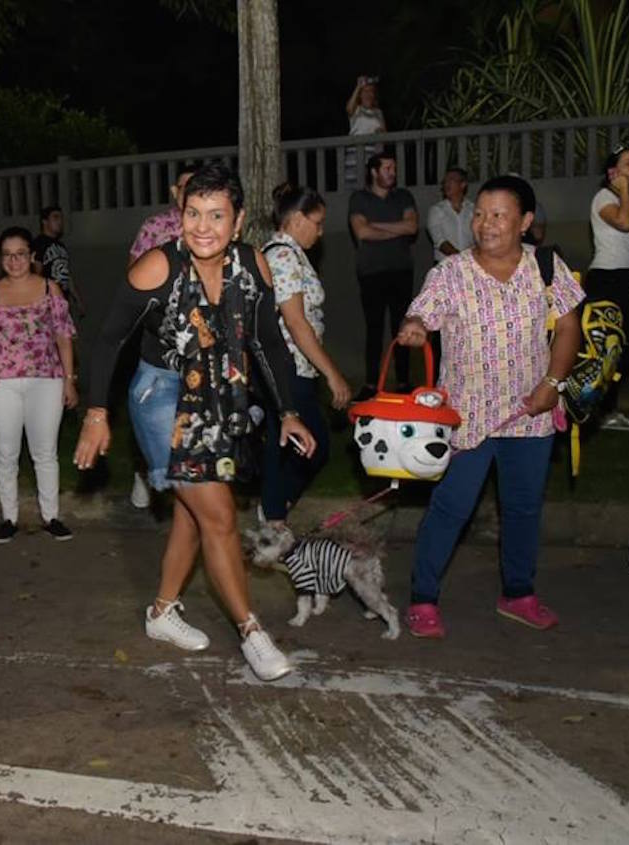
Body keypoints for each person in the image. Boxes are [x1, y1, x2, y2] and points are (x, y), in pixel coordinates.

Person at [75, 162, 316, 682]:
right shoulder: (157, 267)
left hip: (220, 393)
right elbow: (109, 340)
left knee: (194, 511)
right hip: (161, 394)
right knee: (220, 514)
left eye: (216, 215)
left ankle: (162, 612)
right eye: (193, 213)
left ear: (239, 219)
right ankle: (252, 631)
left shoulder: (254, 266)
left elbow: (267, 342)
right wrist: (97, 412)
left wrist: (288, 411)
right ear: (179, 213)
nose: (202, 226)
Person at [396, 175, 584, 639]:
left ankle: (518, 592)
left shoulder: (545, 265)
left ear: (523, 222)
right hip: (468, 419)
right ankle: (422, 597)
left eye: (499, 215)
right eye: (480, 213)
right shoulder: (451, 272)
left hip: (530, 412)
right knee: (451, 508)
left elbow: (569, 328)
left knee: (522, 509)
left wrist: (553, 383)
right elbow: (421, 311)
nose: (485, 223)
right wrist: (416, 326)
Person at [0, 226, 78, 544]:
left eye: (20, 254)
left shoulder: (50, 289)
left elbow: (64, 338)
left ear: (32, 256)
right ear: (1, 259)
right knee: (6, 453)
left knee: (45, 452)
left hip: (46, 379)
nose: (14, 261)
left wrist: (69, 381)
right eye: (7, 255)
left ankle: (52, 516)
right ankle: (9, 518)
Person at [259, 183, 351, 526]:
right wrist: (333, 373)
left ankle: (273, 516)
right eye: (318, 222)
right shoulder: (282, 256)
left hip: (295, 367)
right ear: (297, 219)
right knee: (310, 447)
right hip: (287, 366)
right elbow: (296, 322)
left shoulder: (291, 254)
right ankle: (272, 515)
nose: (321, 230)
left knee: (289, 449)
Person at [123, 166, 195, 509]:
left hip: (200, 343)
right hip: (160, 339)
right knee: (153, 411)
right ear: (173, 190)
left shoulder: (208, 226)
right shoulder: (155, 227)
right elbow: (134, 279)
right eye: (185, 186)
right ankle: (145, 472)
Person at [349, 150, 418, 400]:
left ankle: (403, 381)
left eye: (394, 168)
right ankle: (371, 384)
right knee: (374, 329)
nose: (392, 173)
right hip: (372, 273)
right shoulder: (359, 198)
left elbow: (412, 226)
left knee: (402, 326)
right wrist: (395, 229)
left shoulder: (403, 196)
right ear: (374, 172)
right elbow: (362, 233)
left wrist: (375, 225)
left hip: (401, 270)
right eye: (387, 168)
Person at [586, 145, 629, 431]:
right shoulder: (604, 197)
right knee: (617, 346)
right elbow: (623, 224)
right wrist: (622, 189)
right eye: (628, 164)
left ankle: (604, 405)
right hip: (608, 279)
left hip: (628, 277)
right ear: (613, 172)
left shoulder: (624, 200)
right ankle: (602, 409)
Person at [31, 206, 83, 320]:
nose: (60, 221)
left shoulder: (61, 247)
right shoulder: (38, 243)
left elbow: (66, 275)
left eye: (61, 218)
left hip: (62, 302)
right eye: (55, 217)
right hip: (47, 303)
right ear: (44, 221)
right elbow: (36, 273)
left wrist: (77, 299)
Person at [344, 75, 386, 183]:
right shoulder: (356, 110)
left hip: (374, 152)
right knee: (354, 184)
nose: (368, 95)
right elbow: (349, 108)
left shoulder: (378, 112)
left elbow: (384, 132)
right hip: (356, 153)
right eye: (365, 92)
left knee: (372, 182)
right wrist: (358, 87)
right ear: (360, 95)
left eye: (370, 92)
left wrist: (380, 132)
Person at [426, 167, 474, 264]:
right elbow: (440, 242)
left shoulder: (473, 209)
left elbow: (478, 239)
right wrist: (462, 259)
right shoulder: (436, 210)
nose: (447, 184)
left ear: (463, 184)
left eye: (451, 180)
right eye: (445, 181)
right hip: (445, 264)